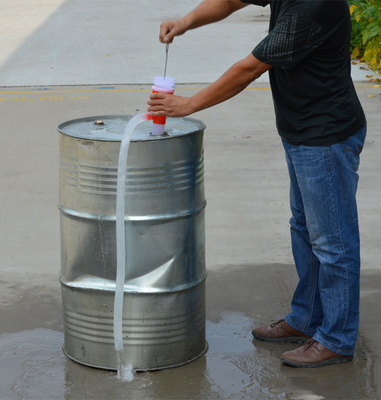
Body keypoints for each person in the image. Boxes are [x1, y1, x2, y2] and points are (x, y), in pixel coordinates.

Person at [147, 0, 367, 368]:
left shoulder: (314, 6)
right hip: (301, 131)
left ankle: (337, 338)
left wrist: (188, 105)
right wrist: (185, 21)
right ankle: (307, 317)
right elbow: (233, 0)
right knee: (305, 229)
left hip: (325, 137)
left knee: (332, 241)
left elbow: (248, 68)